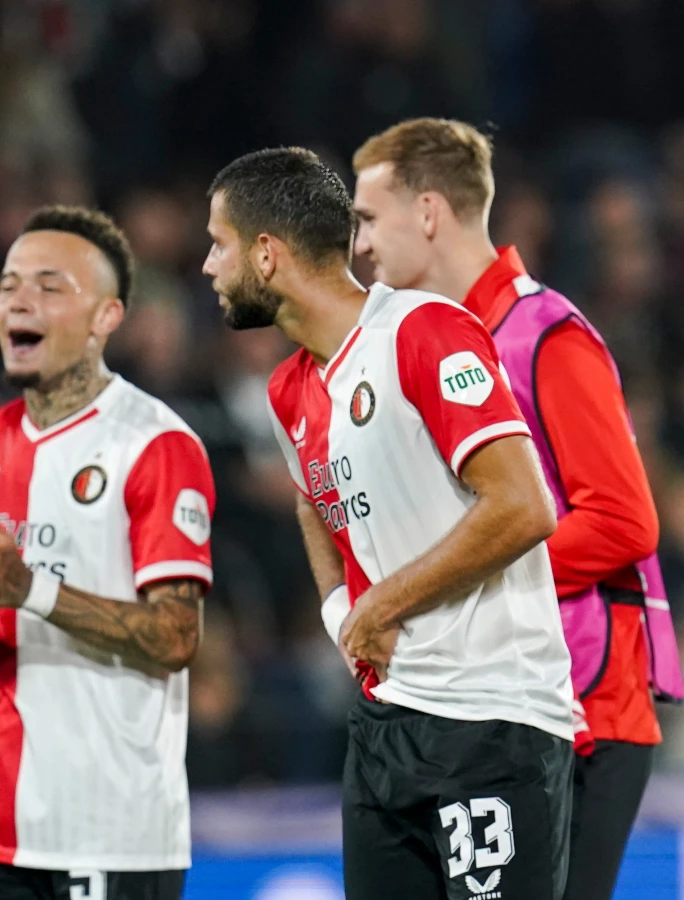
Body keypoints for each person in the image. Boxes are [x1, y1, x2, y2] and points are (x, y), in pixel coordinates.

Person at [202, 147, 576, 900]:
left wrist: (382, 604)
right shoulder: (288, 389)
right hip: (384, 728)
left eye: (219, 243)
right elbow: (316, 500)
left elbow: (523, 506)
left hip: (491, 718)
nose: (209, 267)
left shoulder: (423, 330)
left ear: (267, 255)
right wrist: (342, 608)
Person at [348, 117, 684, 900]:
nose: (359, 246)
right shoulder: (435, 344)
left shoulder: (544, 335)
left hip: (586, 702)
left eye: (368, 219)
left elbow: (625, 522)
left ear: (428, 212)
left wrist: (441, 577)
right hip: (496, 695)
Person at [0, 206, 214, 900]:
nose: (18, 301)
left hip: (111, 830)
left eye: (48, 286)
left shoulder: (156, 446)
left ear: (106, 317)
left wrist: (31, 588)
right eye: (8, 285)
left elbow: (177, 635)